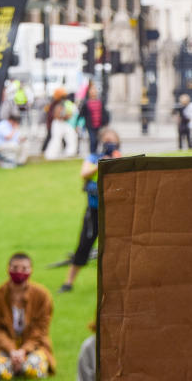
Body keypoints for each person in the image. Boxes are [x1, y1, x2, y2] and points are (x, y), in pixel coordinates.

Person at [60, 129, 121, 293]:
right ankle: (68, 282)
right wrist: (101, 164)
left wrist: (115, 161)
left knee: (115, 249)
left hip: (114, 212)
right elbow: (84, 174)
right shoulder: (94, 158)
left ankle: (114, 285)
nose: (109, 143)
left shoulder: (120, 159)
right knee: (84, 246)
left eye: (112, 141)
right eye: (106, 140)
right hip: (94, 211)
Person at [0, 253, 55, 379]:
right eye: (15, 268)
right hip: (5, 348)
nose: (19, 272)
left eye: (24, 268)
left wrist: (23, 351)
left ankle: (20, 366)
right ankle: (14, 366)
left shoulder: (42, 296)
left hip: (34, 347)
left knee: (34, 369)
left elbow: (40, 330)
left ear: (31, 270)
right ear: (8, 268)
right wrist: (12, 351)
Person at [43, 88, 77, 160]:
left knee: (71, 135)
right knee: (56, 139)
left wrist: (67, 116)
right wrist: (66, 116)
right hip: (57, 123)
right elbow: (57, 115)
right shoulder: (56, 104)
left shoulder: (62, 103)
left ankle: (70, 152)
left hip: (62, 123)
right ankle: (50, 154)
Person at [78, 84, 108, 155]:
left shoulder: (100, 102)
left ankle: (95, 153)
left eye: (95, 90)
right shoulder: (86, 103)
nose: (94, 91)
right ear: (89, 92)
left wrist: (106, 122)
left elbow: (104, 112)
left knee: (98, 140)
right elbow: (81, 114)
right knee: (92, 139)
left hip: (99, 124)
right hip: (90, 125)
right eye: (92, 90)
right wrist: (78, 124)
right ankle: (92, 154)